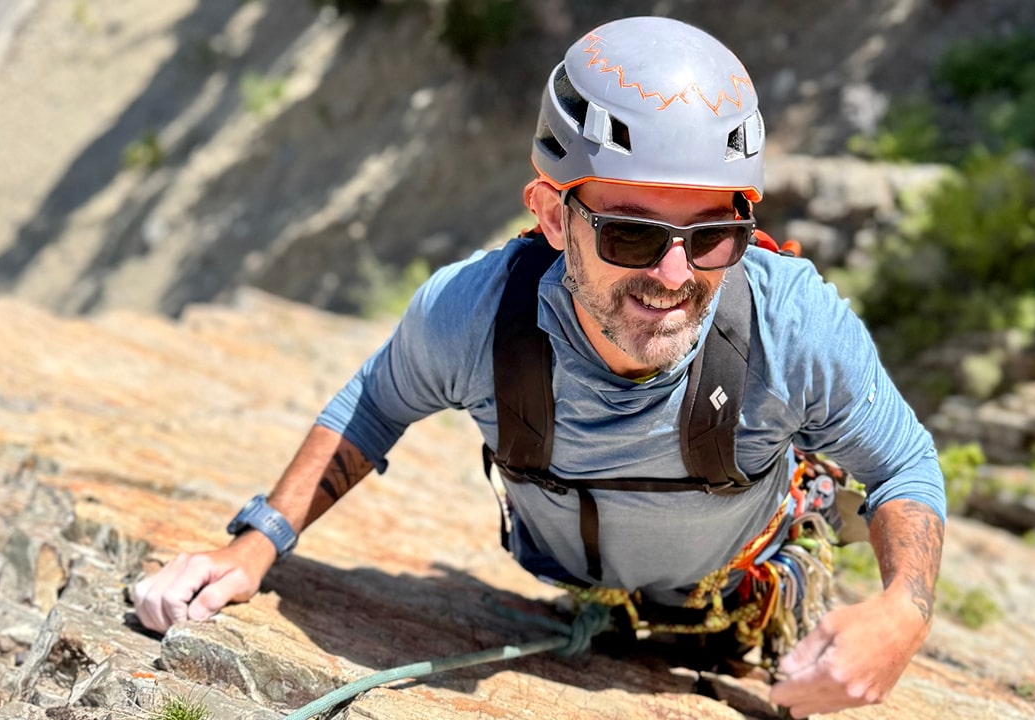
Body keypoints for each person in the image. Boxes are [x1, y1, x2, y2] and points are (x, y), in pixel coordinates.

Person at [132, 15, 945, 718]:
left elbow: (903, 460)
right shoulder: (477, 315)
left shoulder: (789, 322)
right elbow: (373, 404)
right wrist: (255, 547)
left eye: (711, 238)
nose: (673, 275)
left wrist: (902, 611)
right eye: (630, 235)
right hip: (574, 584)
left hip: (741, 595)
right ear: (554, 215)